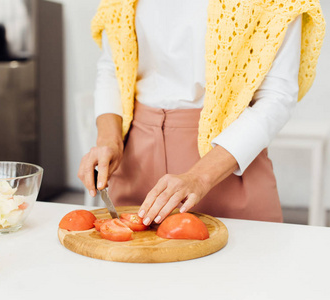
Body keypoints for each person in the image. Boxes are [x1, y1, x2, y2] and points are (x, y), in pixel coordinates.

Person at [78, 0, 325, 225]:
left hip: (225, 164)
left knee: (246, 269)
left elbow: (277, 97)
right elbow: (112, 69)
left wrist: (200, 177)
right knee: (133, 271)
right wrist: (109, 141)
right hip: (135, 160)